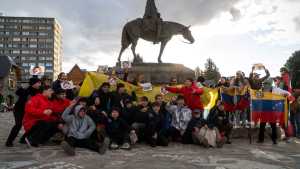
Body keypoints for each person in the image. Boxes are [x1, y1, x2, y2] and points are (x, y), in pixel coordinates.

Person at [5, 77, 41, 147]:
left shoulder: (38, 91)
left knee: (32, 124)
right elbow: (17, 92)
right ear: (33, 84)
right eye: (38, 83)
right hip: (19, 110)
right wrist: (22, 88)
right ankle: (9, 141)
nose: (40, 84)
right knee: (18, 125)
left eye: (40, 83)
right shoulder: (26, 89)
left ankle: (23, 139)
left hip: (28, 111)